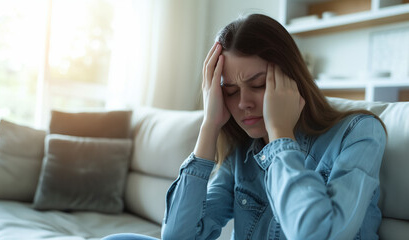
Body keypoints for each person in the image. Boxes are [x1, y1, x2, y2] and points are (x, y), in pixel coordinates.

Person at [103, 13, 386, 240]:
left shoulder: (359, 133)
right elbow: (178, 235)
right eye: (230, 91)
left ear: (291, 80)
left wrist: (280, 137)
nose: (243, 104)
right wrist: (209, 125)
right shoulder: (243, 152)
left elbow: (314, 233)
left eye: (258, 85)